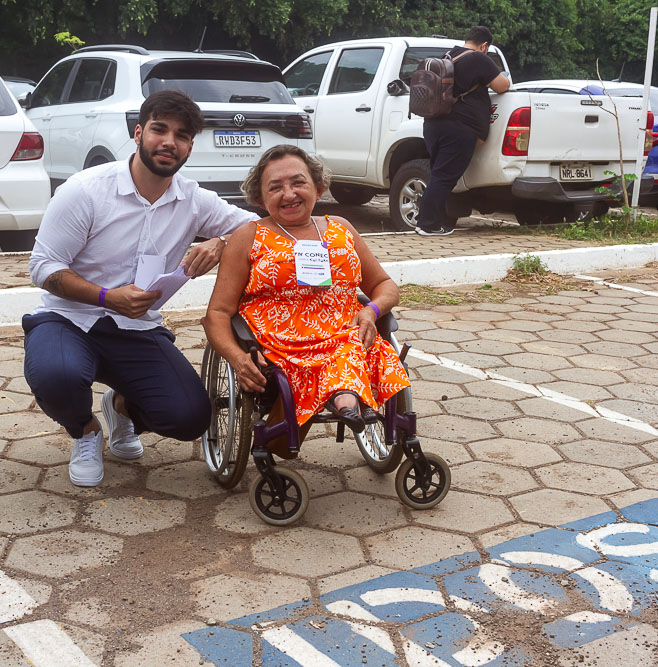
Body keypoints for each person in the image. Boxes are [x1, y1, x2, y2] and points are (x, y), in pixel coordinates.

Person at [24, 90, 254, 487]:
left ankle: (121, 408)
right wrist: (106, 296)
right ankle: (85, 431)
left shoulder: (193, 199)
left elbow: (255, 228)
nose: (169, 142)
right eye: (159, 129)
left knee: (189, 417)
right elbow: (42, 267)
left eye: (181, 135)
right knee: (55, 375)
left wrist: (221, 241)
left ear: (189, 147)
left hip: (137, 329)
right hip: (70, 319)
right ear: (138, 133)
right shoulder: (86, 190)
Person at [202, 145, 409, 445]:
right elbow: (217, 314)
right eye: (275, 188)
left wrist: (370, 311)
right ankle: (341, 397)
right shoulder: (248, 236)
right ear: (260, 197)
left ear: (319, 187)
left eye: (298, 183)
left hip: (343, 335)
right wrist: (237, 358)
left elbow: (386, 286)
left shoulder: (341, 228)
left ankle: (345, 399)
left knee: (352, 346)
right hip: (281, 346)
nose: (288, 194)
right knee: (281, 444)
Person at [417, 25, 511, 236]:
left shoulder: (448, 55)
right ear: (485, 45)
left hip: (433, 125)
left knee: (438, 175)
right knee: (443, 177)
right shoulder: (479, 59)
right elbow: (502, 86)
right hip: (458, 128)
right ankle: (427, 224)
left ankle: (434, 222)